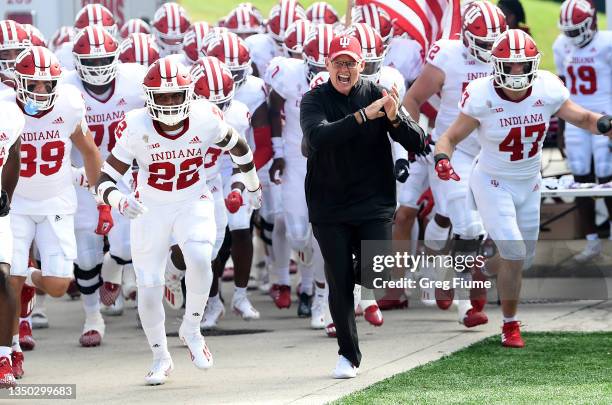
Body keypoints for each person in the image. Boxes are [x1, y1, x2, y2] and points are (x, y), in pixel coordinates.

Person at [434, 29, 612, 348]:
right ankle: (510, 325)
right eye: (510, 65)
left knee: (520, 260)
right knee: (513, 251)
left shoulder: (546, 88)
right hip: (492, 181)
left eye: (522, 65)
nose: (517, 72)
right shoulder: (481, 94)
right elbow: (449, 138)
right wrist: (442, 159)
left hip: (530, 183)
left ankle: (471, 268)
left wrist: (606, 125)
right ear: (496, 64)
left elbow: (583, 117)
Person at [95, 57, 261, 385]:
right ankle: (160, 356)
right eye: (163, 96)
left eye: (175, 95)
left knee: (201, 257)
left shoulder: (204, 117)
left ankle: (192, 329)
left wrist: (253, 185)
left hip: (192, 199)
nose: (170, 102)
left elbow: (239, 146)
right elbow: (103, 179)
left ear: (188, 94)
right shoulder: (135, 125)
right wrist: (118, 200)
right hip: (149, 208)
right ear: (149, 97)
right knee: (149, 287)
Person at [300, 34, 426, 378]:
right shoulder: (314, 99)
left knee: (379, 271)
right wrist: (362, 117)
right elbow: (317, 138)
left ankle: (347, 276)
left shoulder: (377, 93)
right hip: (329, 202)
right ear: (327, 65)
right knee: (340, 280)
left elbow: (418, 141)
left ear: (361, 66)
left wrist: (395, 118)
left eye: (350, 63)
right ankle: (348, 355)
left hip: (373, 200)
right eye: (338, 62)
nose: (344, 69)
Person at [402, 1, 507, 325]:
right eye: (484, 44)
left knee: (446, 216)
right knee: (467, 224)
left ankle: (431, 271)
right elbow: (413, 99)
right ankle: (467, 305)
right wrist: (415, 137)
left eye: (495, 43)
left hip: (489, 151)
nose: (490, 51)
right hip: (452, 149)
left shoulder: (510, 54)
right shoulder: (447, 56)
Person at [9, 46, 102, 378]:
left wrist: (102, 199)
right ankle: (9, 353)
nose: (40, 91)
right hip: (15, 205)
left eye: (47, 84)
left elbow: (89, 151)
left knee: (60, 285)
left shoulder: (69, 104)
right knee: (9, 281)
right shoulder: (5, 110)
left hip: (57, 204)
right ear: (17, 82)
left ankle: (31, 277)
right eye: (32, 84)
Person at [63, 25, 148, 346]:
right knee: (86, 256)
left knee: (125, 249)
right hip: (81, 178)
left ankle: (112, 275)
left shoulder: (135, 80)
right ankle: (92, 317)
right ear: (76, 61)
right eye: (91, 62)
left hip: (121, 173)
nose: (98, 68)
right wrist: (71, 171)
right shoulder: (64, 87)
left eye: (104, 61)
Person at [553, 0, 612, 262]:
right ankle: (591, 241)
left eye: (577, 30)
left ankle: (610, 237)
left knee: (606, 176)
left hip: (604, 117)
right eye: (569, 31)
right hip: (576, 118)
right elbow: (561, 90)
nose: (572, 36)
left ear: (593, 23)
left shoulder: (607, 43)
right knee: (580, 178)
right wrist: (562, 128)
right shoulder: (560, 45)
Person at [0, 98, 25, 388]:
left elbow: (14, 153)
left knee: (1, 276)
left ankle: (3, 356)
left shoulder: (9, 114)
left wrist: (6, 195)